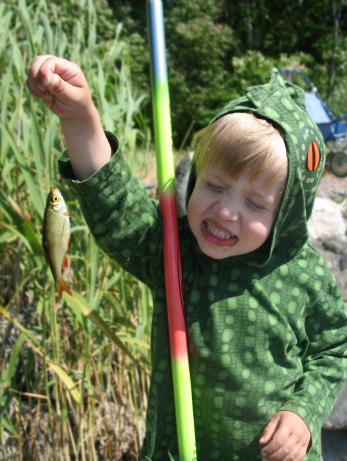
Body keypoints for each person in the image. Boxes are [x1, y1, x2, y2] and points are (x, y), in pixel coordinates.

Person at [27, 55, 347, 461]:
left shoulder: (303, 275)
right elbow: (116, 205)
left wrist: (303, 413)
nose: (225, 212)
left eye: (253, 202)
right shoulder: (176, 254)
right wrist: (79, 116)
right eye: (213, 186)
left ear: (287, 215)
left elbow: (333, 349)